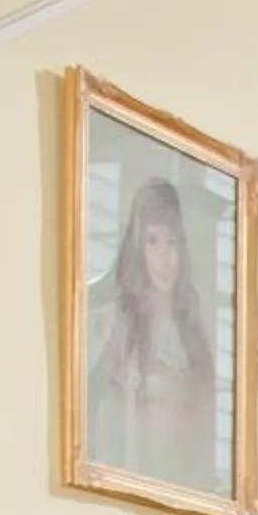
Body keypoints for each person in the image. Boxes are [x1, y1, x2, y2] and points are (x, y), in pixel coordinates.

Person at [87, 176, 219, 492]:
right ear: (138, 247)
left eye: (172, 243)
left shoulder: (193, 335)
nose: (164, 258)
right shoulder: (115, 325)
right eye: (152, 241)